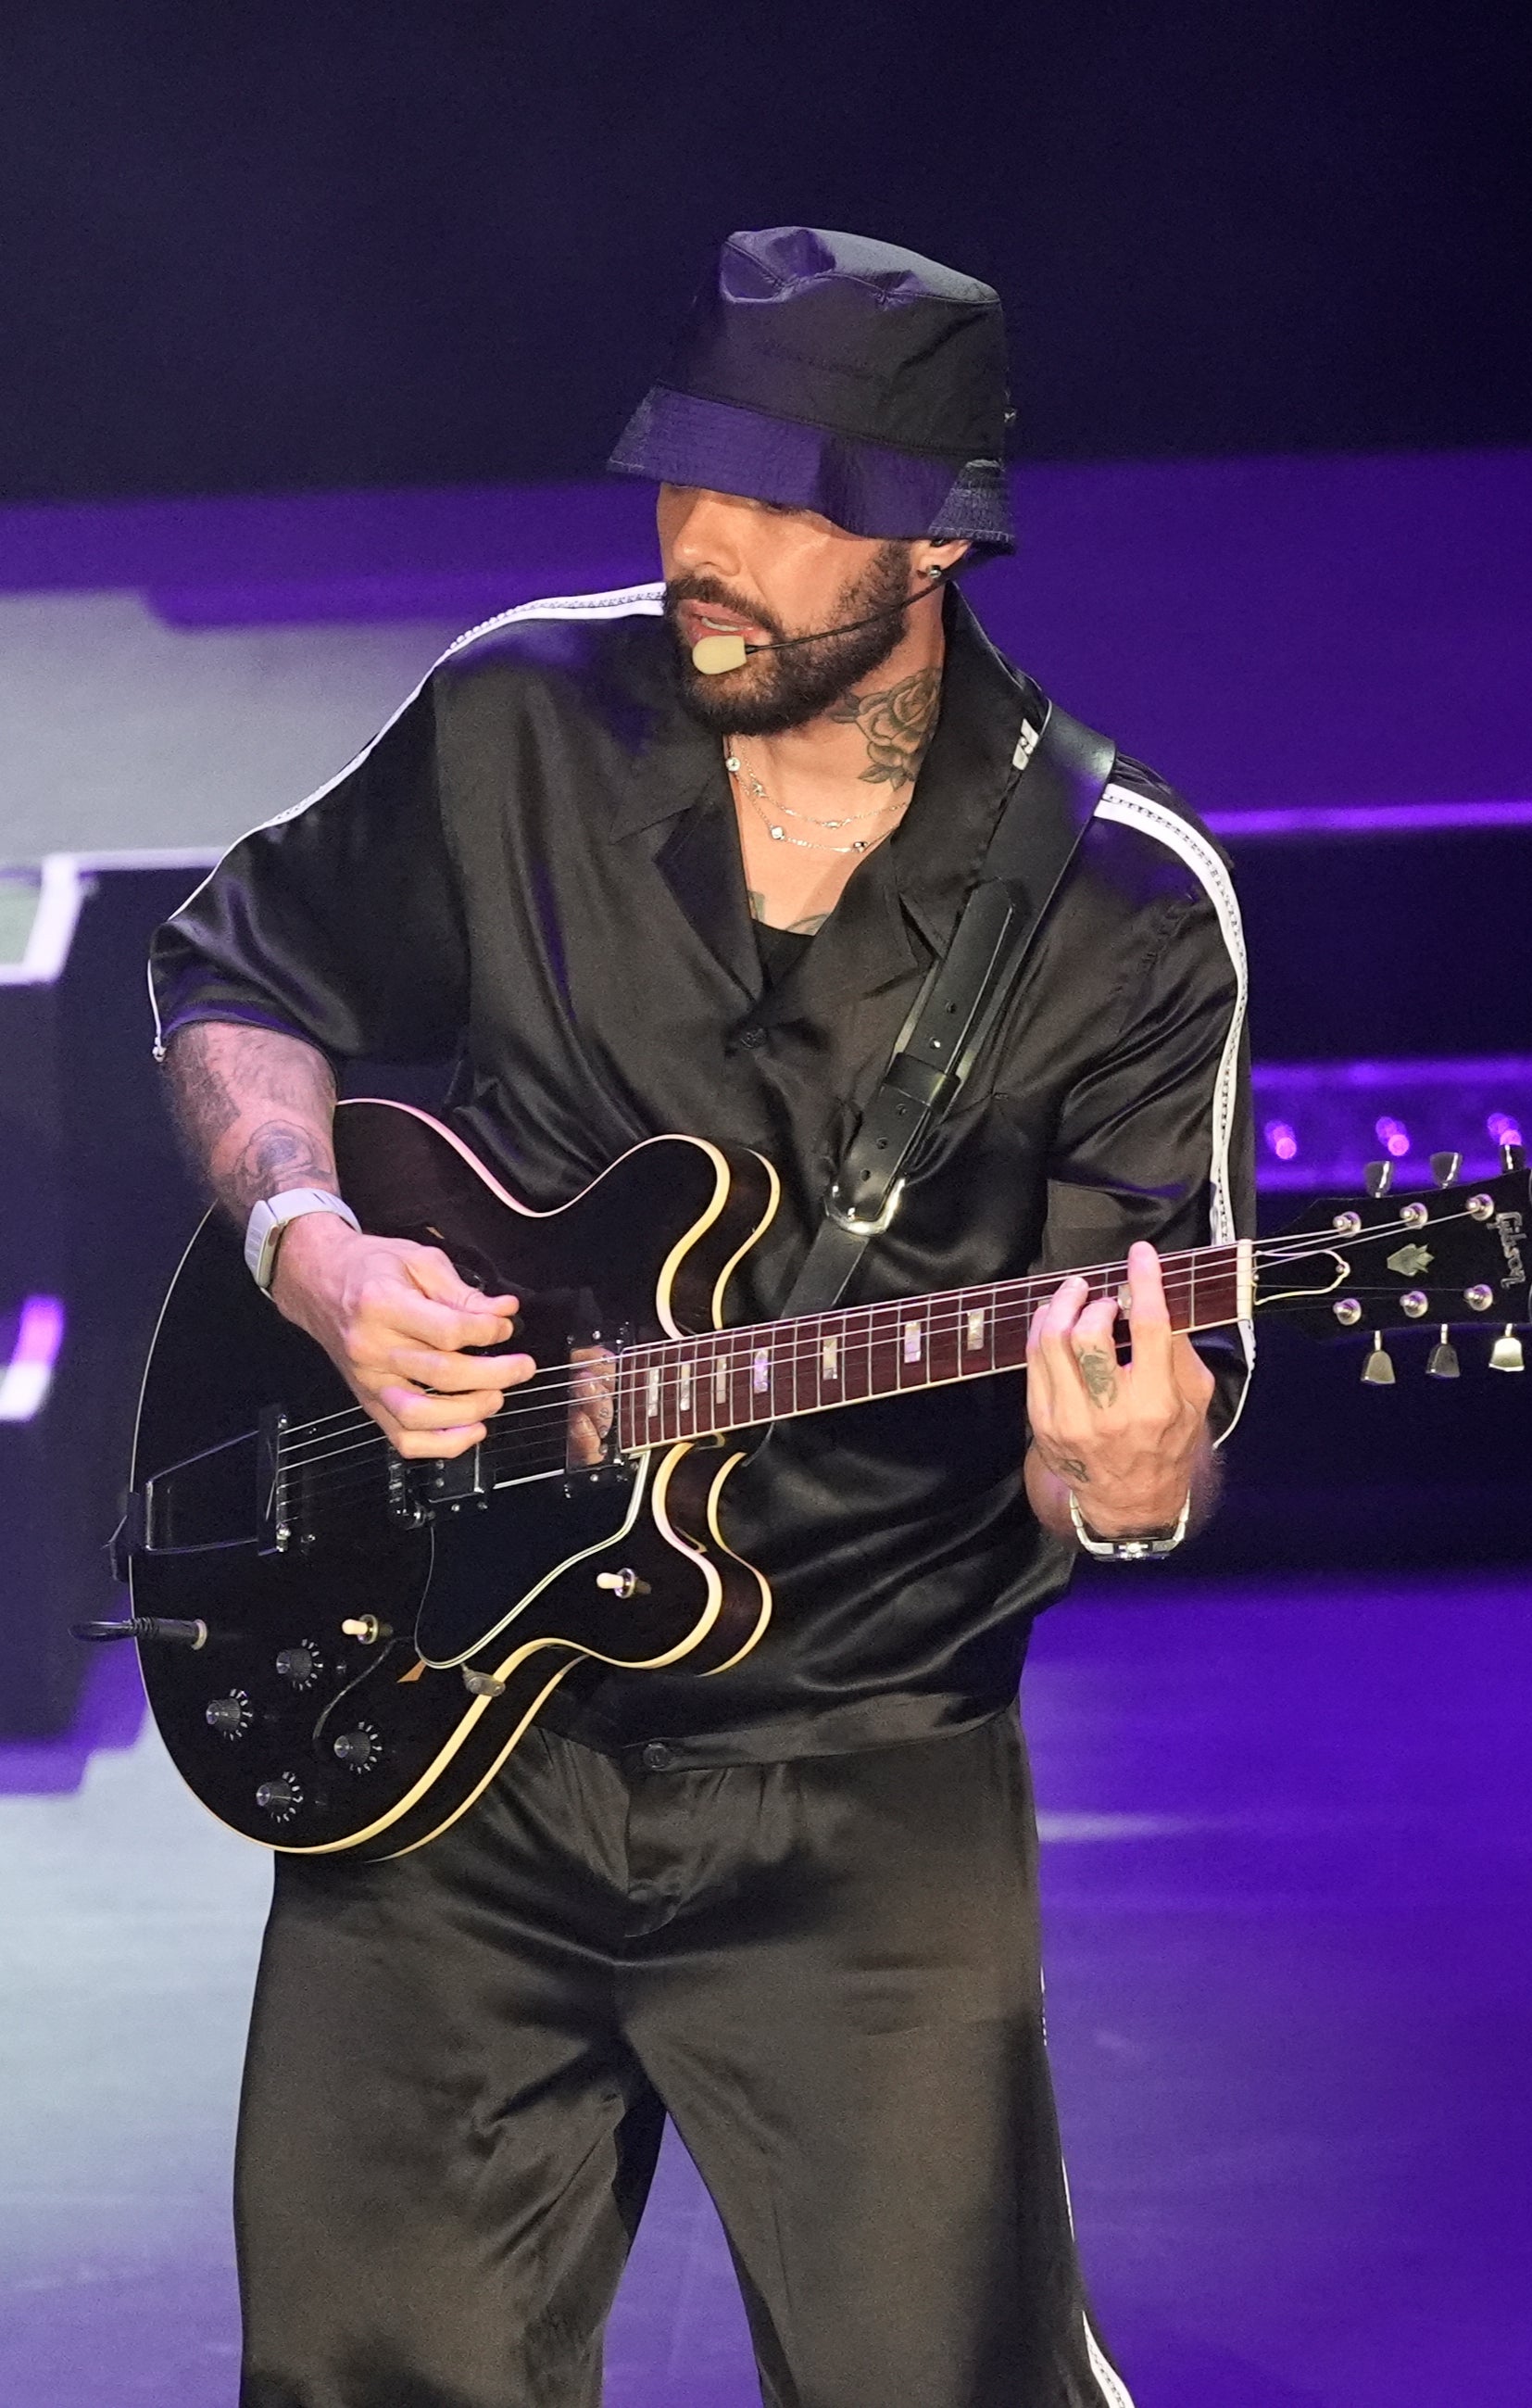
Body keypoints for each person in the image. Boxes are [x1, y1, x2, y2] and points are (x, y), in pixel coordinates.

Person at [149, 227, 1253, 2408]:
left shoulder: (1128, 915)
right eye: (689, 478)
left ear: (934, 539)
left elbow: (1153, 1399)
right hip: (447, 1750)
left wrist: (1126, 1483)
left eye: (788, 504)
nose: (705, 550)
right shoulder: (512, 719)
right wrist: (312, 1245)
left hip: (862, 1791)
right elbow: (240, 970)